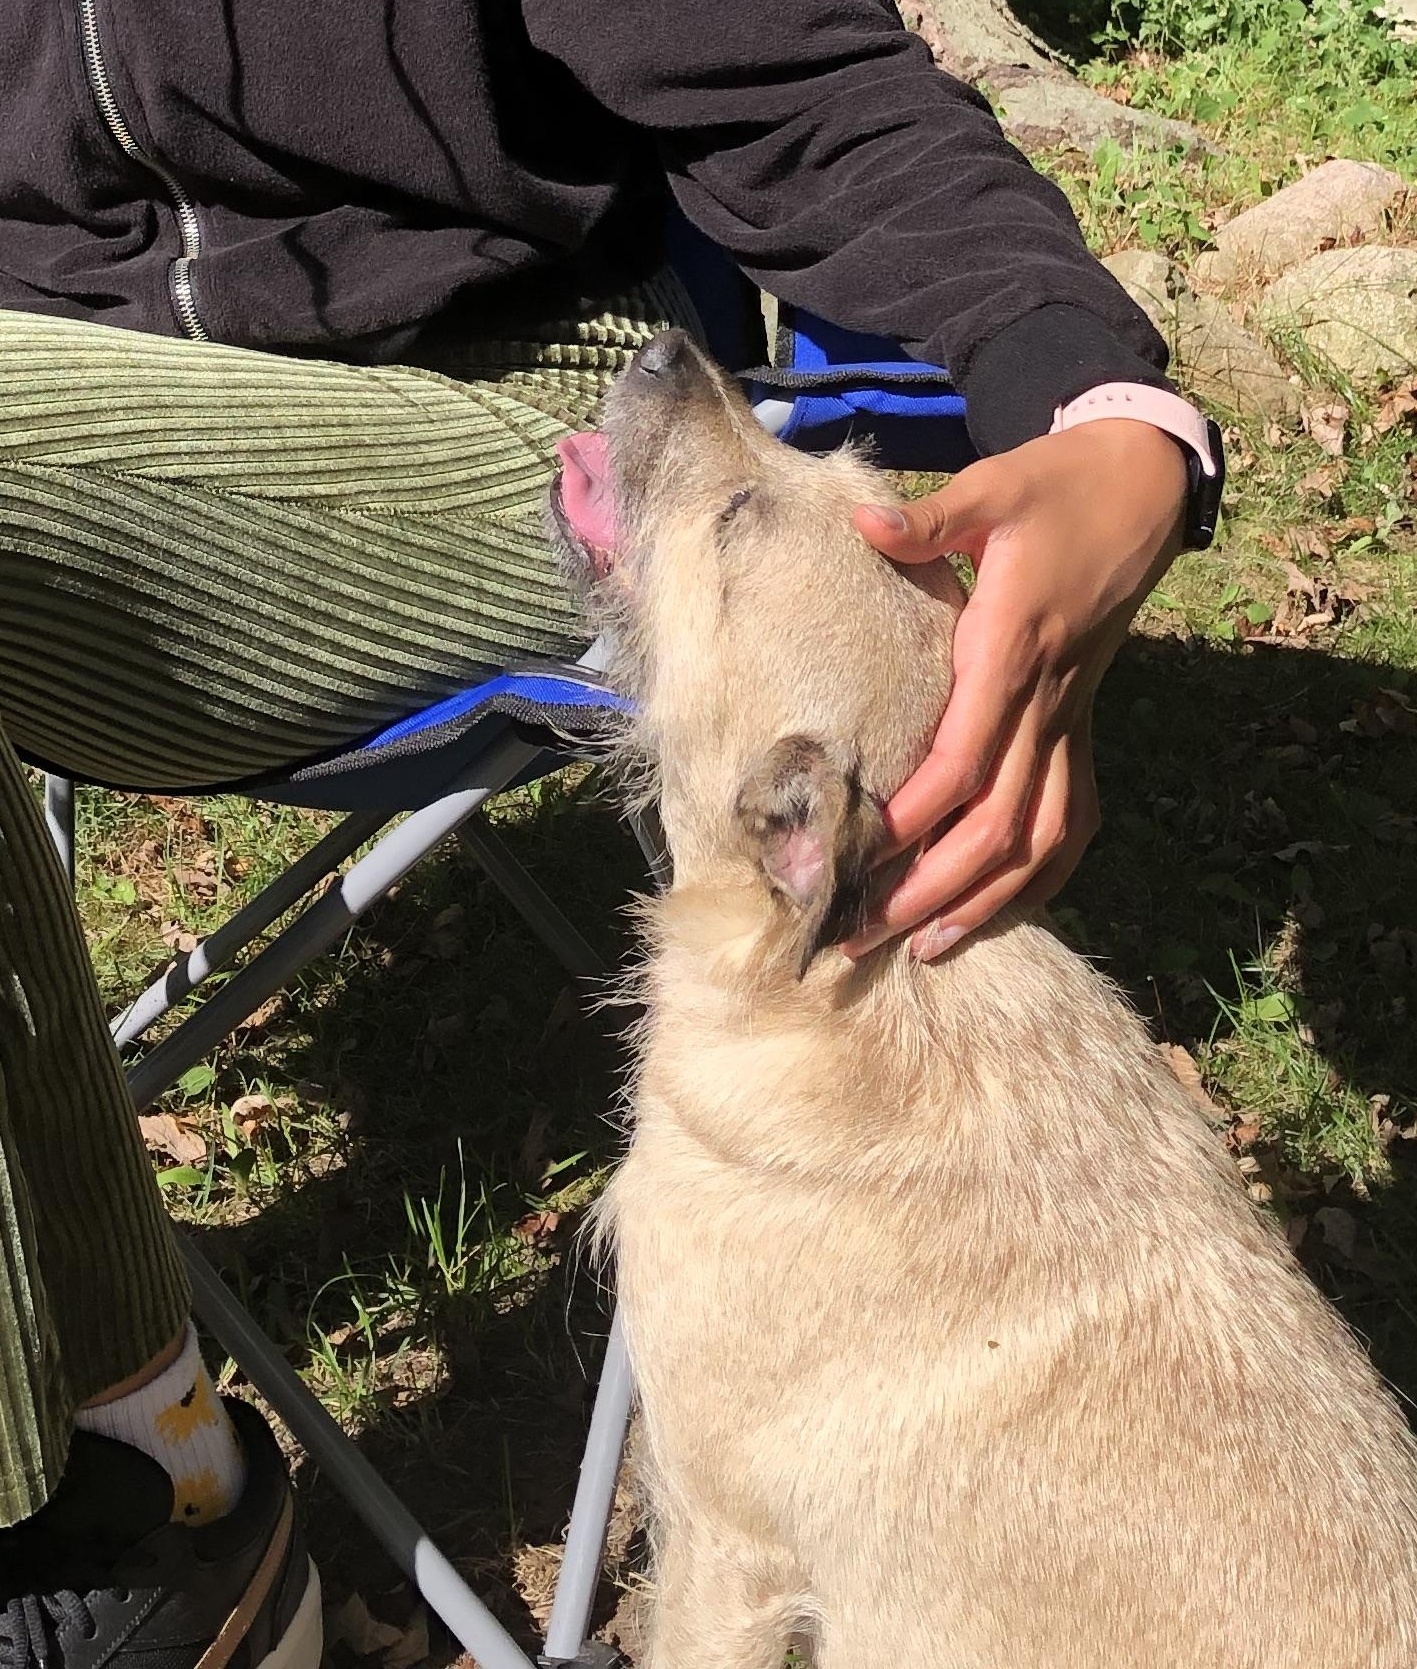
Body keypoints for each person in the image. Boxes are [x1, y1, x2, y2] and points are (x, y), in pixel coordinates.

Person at [0, 3, 1219, 1665]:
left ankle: (135, 1523)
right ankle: (143, 1458)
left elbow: (809, 87)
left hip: (503, 415)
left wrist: (1103, 408)